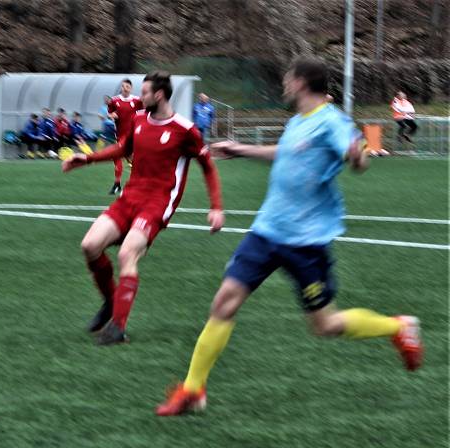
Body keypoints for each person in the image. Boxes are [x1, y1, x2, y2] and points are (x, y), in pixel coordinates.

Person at [155, 57, 423, 417]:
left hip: (306, 243)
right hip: (267, 232)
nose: (283, 84)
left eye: (287, 79)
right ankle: (192, 389)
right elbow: (286, 155)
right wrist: (242, 149)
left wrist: (357, 156)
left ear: (299, 83)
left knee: (325, 325)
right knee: (224, 303)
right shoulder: (298, 121)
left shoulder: (332, 120)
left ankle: (398, 327)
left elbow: (358, 156)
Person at [62, 70, 224, 345]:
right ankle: (112, 302)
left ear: (159, 95)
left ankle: (118, 328)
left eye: (145, 92)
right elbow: (123, 148)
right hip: (129, 198)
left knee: (127, 254)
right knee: (90, 245)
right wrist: (87, 159)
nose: (140, 97)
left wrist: (216, 207)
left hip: (158, 203)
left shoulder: (185, 130)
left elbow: (207, 165)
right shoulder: (138, 119)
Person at [107, 79, 143, 194]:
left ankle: (137, 183)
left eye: (127, 86)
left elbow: (145, 112)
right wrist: (112, 116)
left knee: (131, 159)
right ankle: (117, 184)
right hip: (119, 135)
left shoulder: (137, 101)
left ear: (131, 88)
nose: (124, 88)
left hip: (132, 136)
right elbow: (110, 113)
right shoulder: (114, 100)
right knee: (117, 158)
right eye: (123, 86)